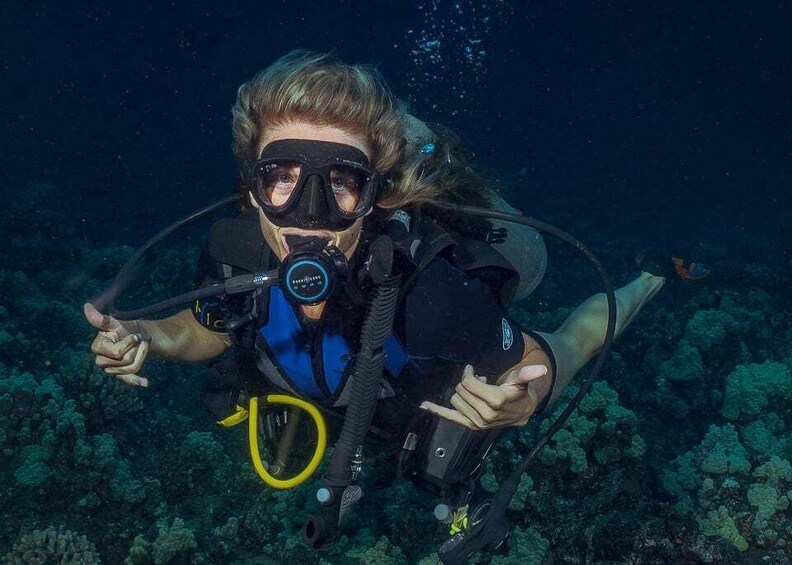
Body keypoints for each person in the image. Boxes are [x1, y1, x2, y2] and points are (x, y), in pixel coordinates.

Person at [84, 50, 677, 453]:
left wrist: (526, 396)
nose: (310, 213)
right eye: (282, 178)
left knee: (539, 286)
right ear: (252, 190)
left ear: (373, 198)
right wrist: (151, 336)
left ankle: (649, 278)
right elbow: (209, 325)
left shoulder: (432, 297)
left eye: (340, 181)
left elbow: (562, 349)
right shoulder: (234, 254)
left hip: (491, 268)